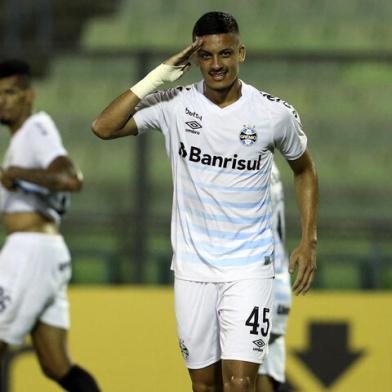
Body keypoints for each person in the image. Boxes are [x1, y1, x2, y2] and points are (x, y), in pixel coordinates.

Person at [92, 11, 318, 392]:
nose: (217, 65)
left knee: (241, 383)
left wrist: (308, 240)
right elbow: (103, 127)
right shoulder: (174, 105)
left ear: (241, 53)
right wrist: (158, 76)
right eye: (208, 56)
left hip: (250, 265)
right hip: (193, 266)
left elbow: (305, 170)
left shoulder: (273, 114)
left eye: (225, 54)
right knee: (203, 386)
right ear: (195, 58)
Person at [0, 59, 101, 391]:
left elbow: (70, 179)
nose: (2, 100)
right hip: (46, 254)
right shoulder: (19, 140)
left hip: (31, 252)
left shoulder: (36, 130)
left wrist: (18, 174)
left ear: (29, 96)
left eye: (10, 92)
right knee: (56, 365)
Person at [256, 162, 292, 392]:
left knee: (234, 372)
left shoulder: (250, 164)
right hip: (278, 280)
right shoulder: (270, 165)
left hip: (257, 281)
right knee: (264, 365)